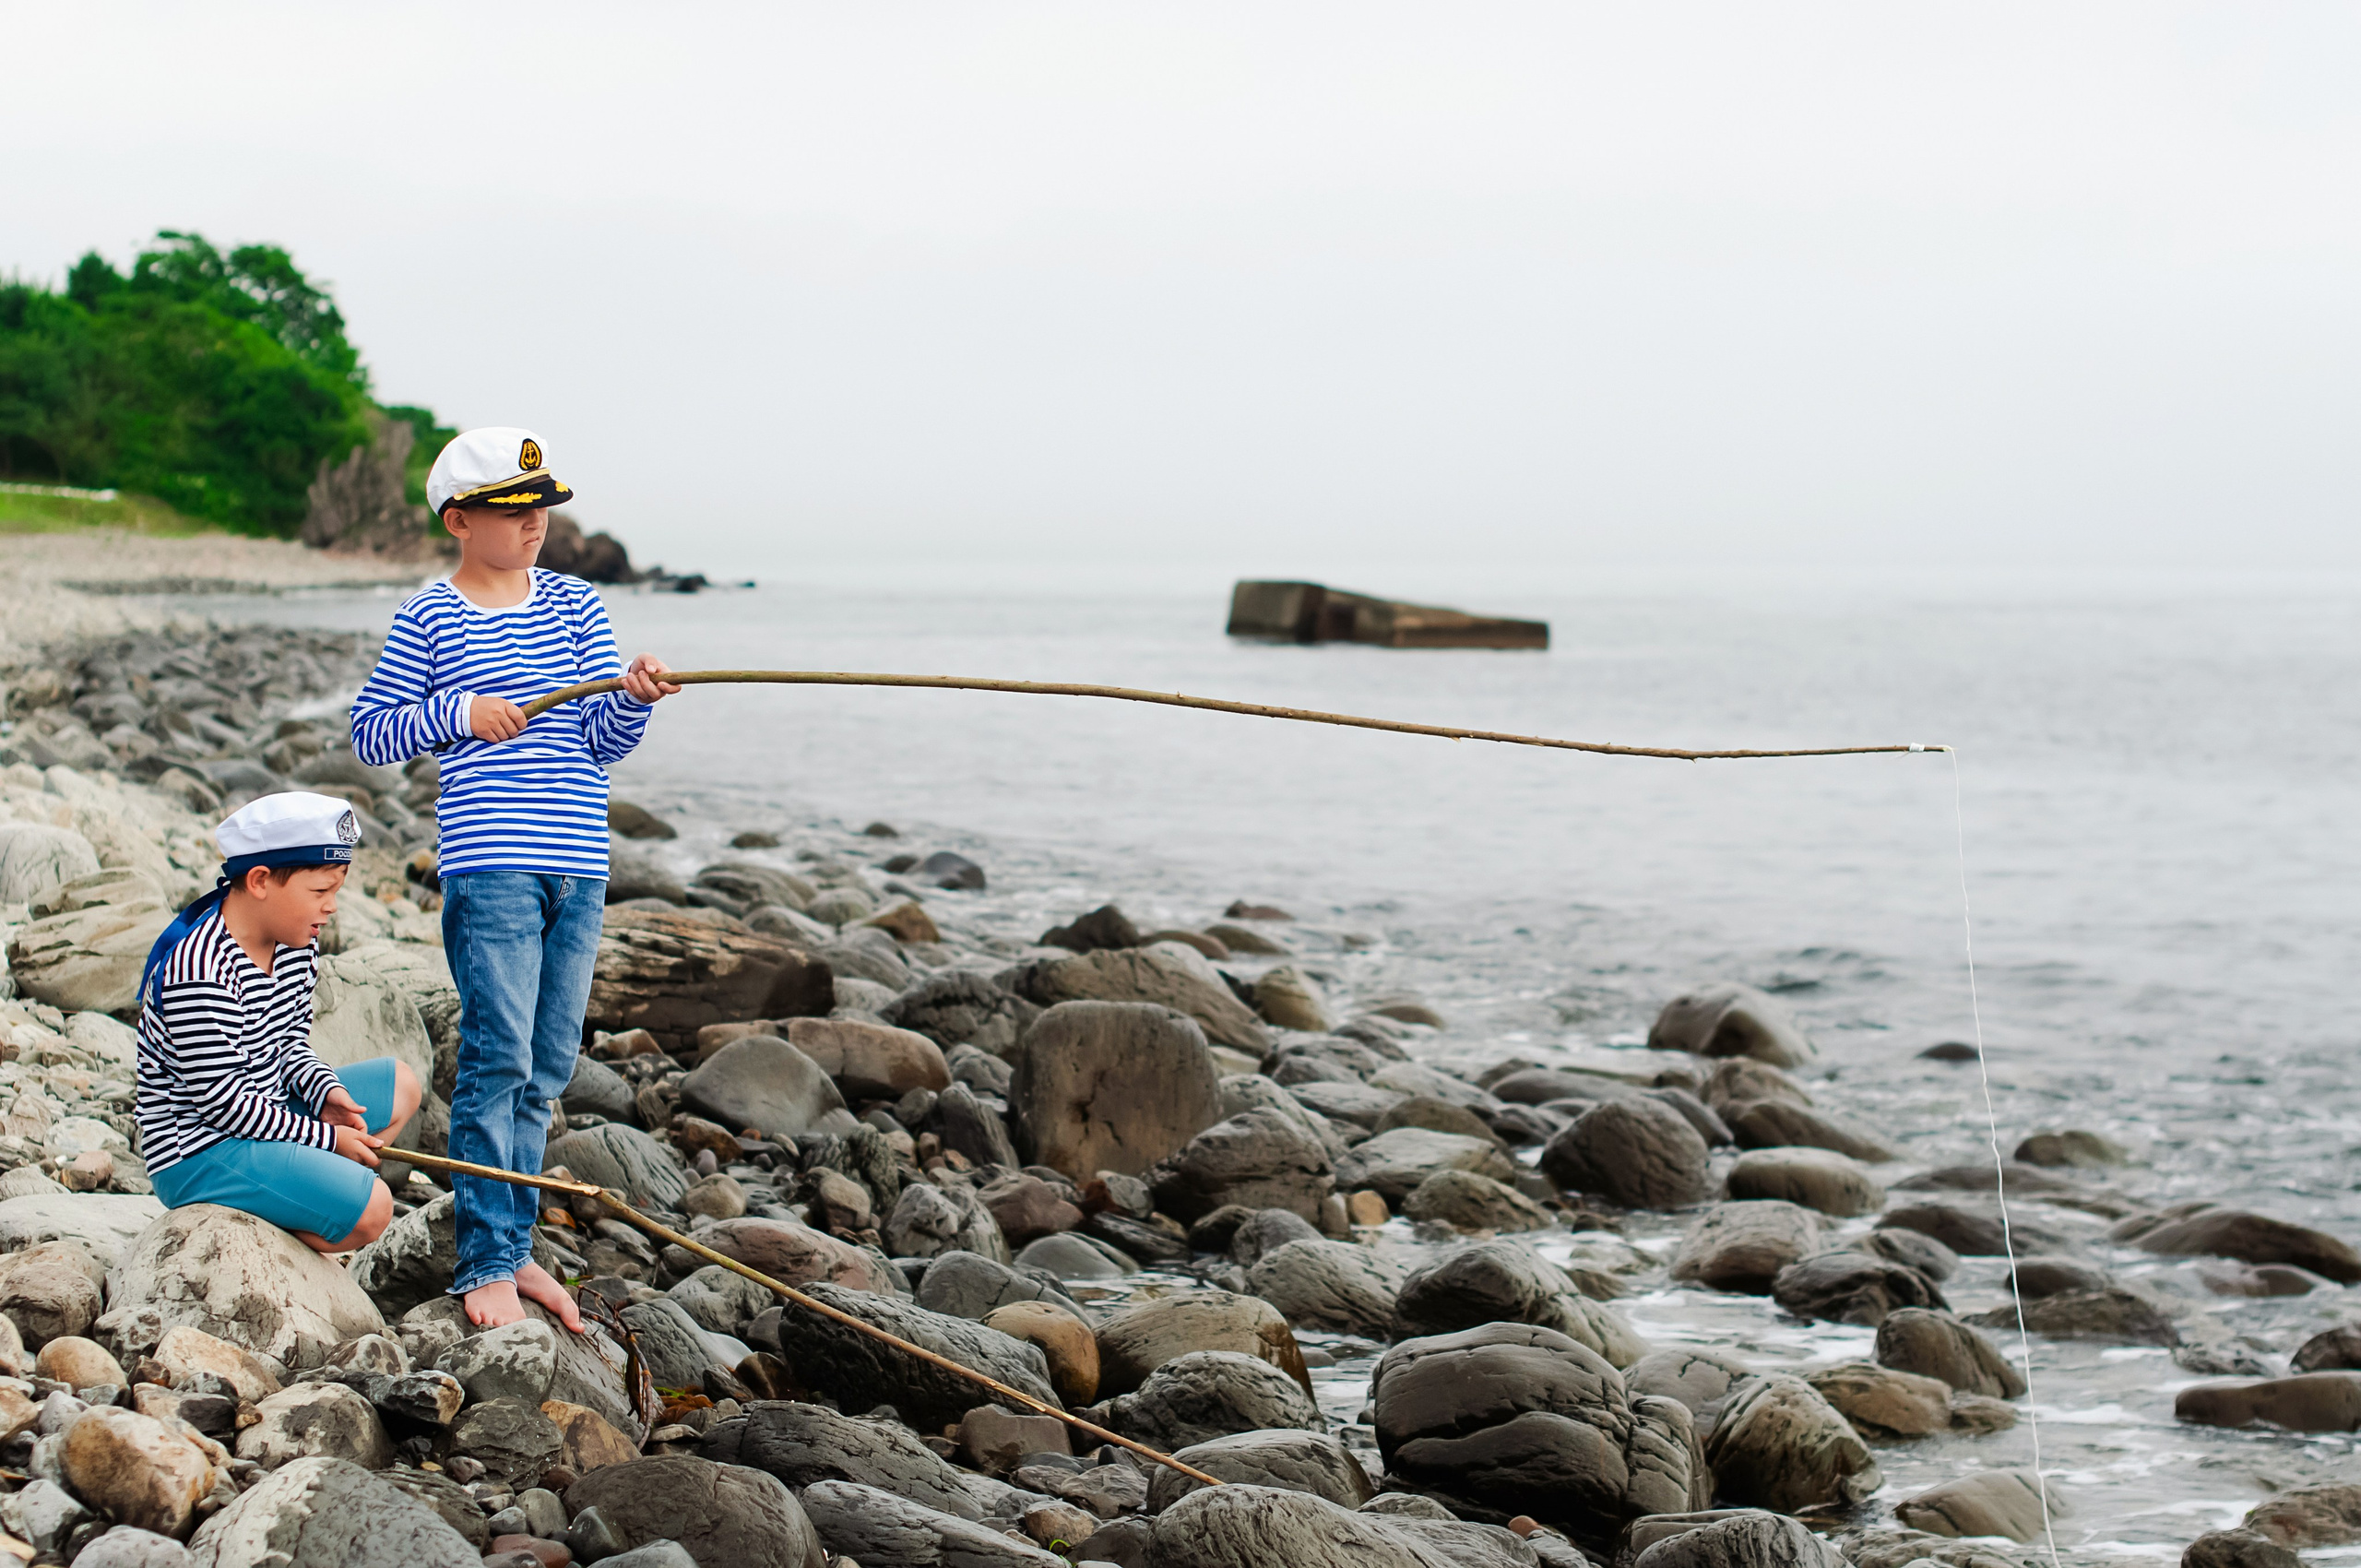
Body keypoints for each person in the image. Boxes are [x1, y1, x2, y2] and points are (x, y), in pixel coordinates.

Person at [350, 426, 679, 1330]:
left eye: (542, 507)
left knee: (547, 1063)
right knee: (498, 1056)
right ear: (459, 520)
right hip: (491, 862)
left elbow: (600, 743)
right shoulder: (432, 615)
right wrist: (460, 712)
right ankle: (485, 1260)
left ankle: (513, 1241)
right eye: (511, 509)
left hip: (578, 863)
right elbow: (372, 732)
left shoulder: (575, 603)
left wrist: (633, 701)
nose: (535, 521)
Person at [136, 791, 423, 1253]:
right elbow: (222, 1103)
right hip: (202, 1147)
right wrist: (327, 1140)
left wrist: (325, 1093)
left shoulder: (294, 942)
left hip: (267, 1109)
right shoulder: (200, 968)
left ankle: (304, 1188)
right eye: (320, 892)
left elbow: (289, 1042)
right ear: (260, 881)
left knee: (403, 1085)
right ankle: (279, 1225)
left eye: (336, 892)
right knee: (375, 1210)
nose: (331, 907)